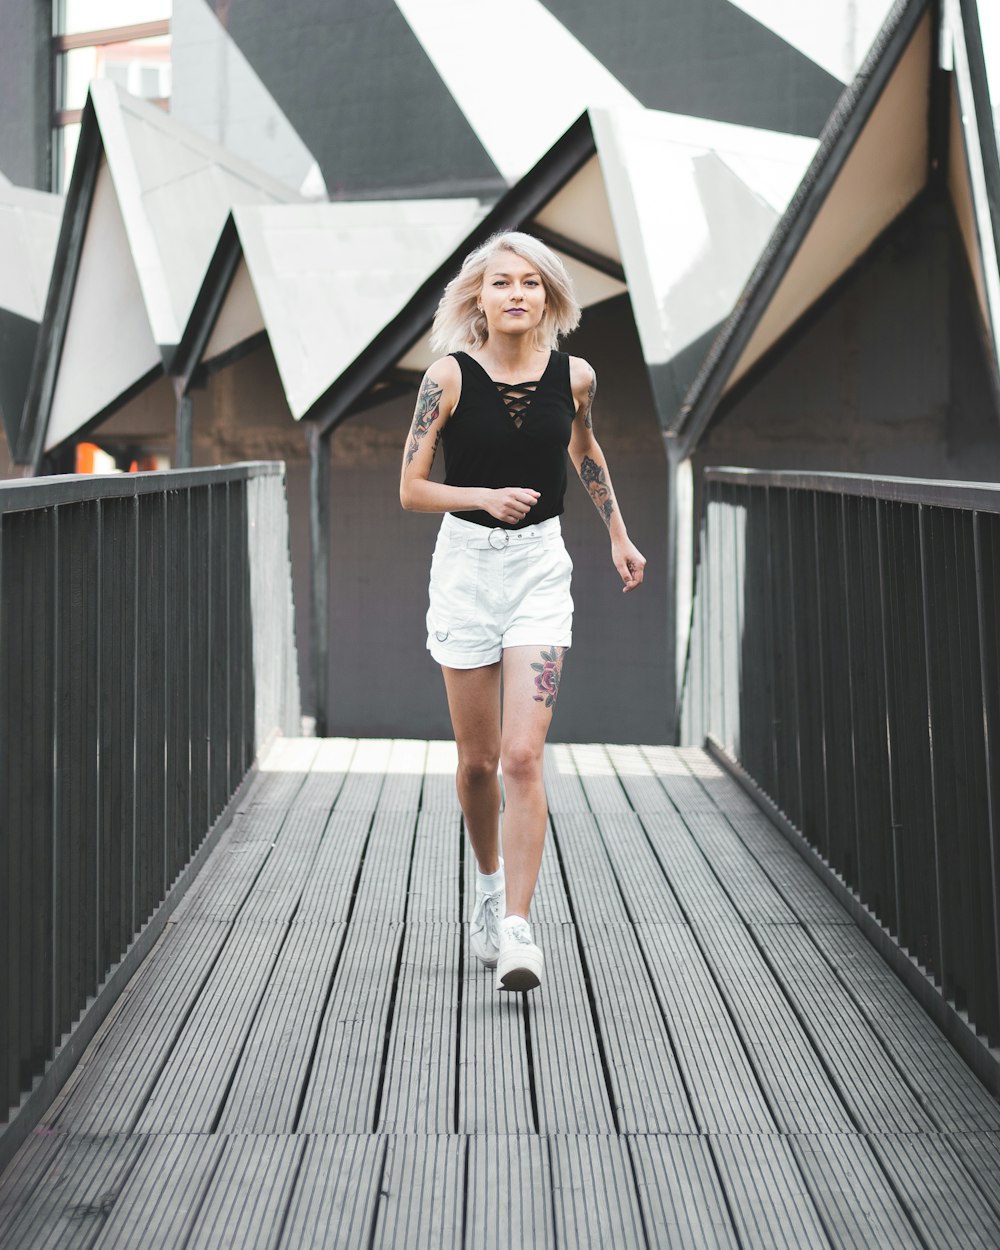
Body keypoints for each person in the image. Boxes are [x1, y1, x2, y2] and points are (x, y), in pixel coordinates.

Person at [399, 231, 645, 992]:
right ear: (480, 295)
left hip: (541, 567)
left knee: (522, 757)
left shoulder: (576, 377)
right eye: (502, 282)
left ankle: (517, 928)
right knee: (475, 764)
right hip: (467, 570)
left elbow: (586, 451)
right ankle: (484, 885)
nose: (516, 294)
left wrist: (617, 531)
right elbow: (410, 489)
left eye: (531, 284)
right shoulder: (447, 377)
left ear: (548, 297)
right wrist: (480, 497)